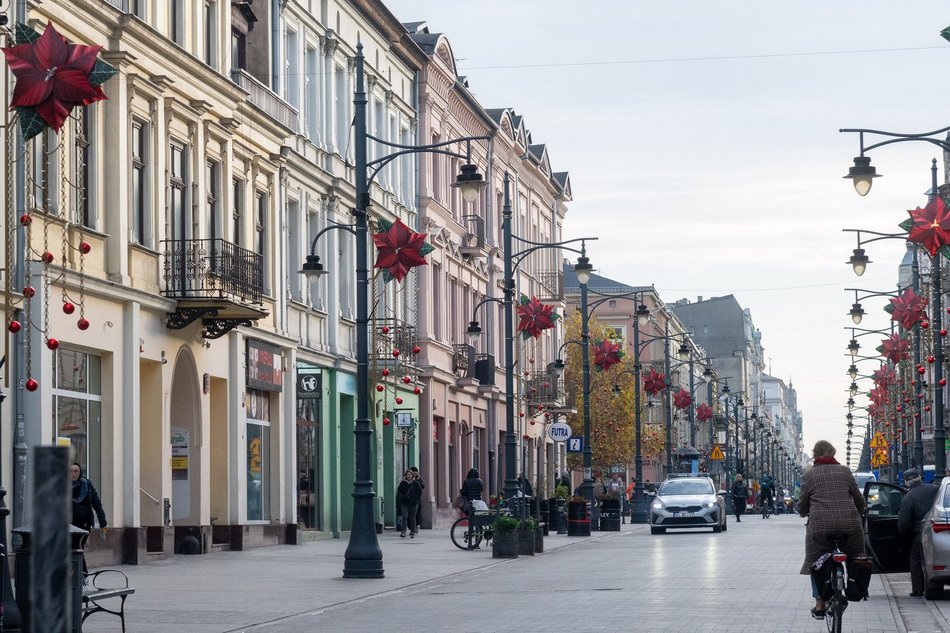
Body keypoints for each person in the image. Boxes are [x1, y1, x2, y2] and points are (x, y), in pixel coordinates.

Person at [797, 440, 866, 620]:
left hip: (820, 527)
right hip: (849, 524)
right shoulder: (845, 471)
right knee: (857, 556)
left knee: (815, 562)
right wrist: (860, 513)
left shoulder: (809, 475)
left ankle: (819, 604)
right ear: (833, 453)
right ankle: (856, 589)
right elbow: (859, 499)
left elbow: (803, 503)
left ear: (815, 454)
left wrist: (803, 512)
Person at [898, 468, 939, 597]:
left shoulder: (908, 497)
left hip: (920, 533)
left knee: (915, 559)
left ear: (907, 482)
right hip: (938, 530)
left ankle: (918, 589)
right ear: (920, 477)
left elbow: (903, 522)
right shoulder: (935, 489)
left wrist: (904, 533)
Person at [71, 462, 108, 574]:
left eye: (76, 471)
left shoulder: (87, 485)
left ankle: (82, 575)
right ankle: (80, 575)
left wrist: (103, 523)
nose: (73, 473)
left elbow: (96, 504)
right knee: (73, 548)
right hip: (68, 522)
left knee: (76, 547)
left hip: (83, 523)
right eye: (70, 471)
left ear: (80, 472)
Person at [396, 469, 422, 538]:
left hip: (413, 503)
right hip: (404, 503)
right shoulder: (403, 483)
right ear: (405, 475)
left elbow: (419, 492)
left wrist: (415, 499)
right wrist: (404, 482)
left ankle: (412, 532)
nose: (408, 476)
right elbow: (400, 490)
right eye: (407, 474)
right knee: (404, 517)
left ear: (412, 475)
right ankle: (403, 532)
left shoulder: (416, 483)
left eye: (410, 474)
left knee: (412, 518)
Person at [410, 466, 424, 535]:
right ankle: (412, 528)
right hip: (410, 499)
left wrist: (418, 480)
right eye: (412, 472)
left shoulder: (419, 479)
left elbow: (423, 486)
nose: (414, 473)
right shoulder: (409, 478)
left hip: (417, 499)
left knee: (417, 513)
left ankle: (416, 526)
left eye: (415, 472)